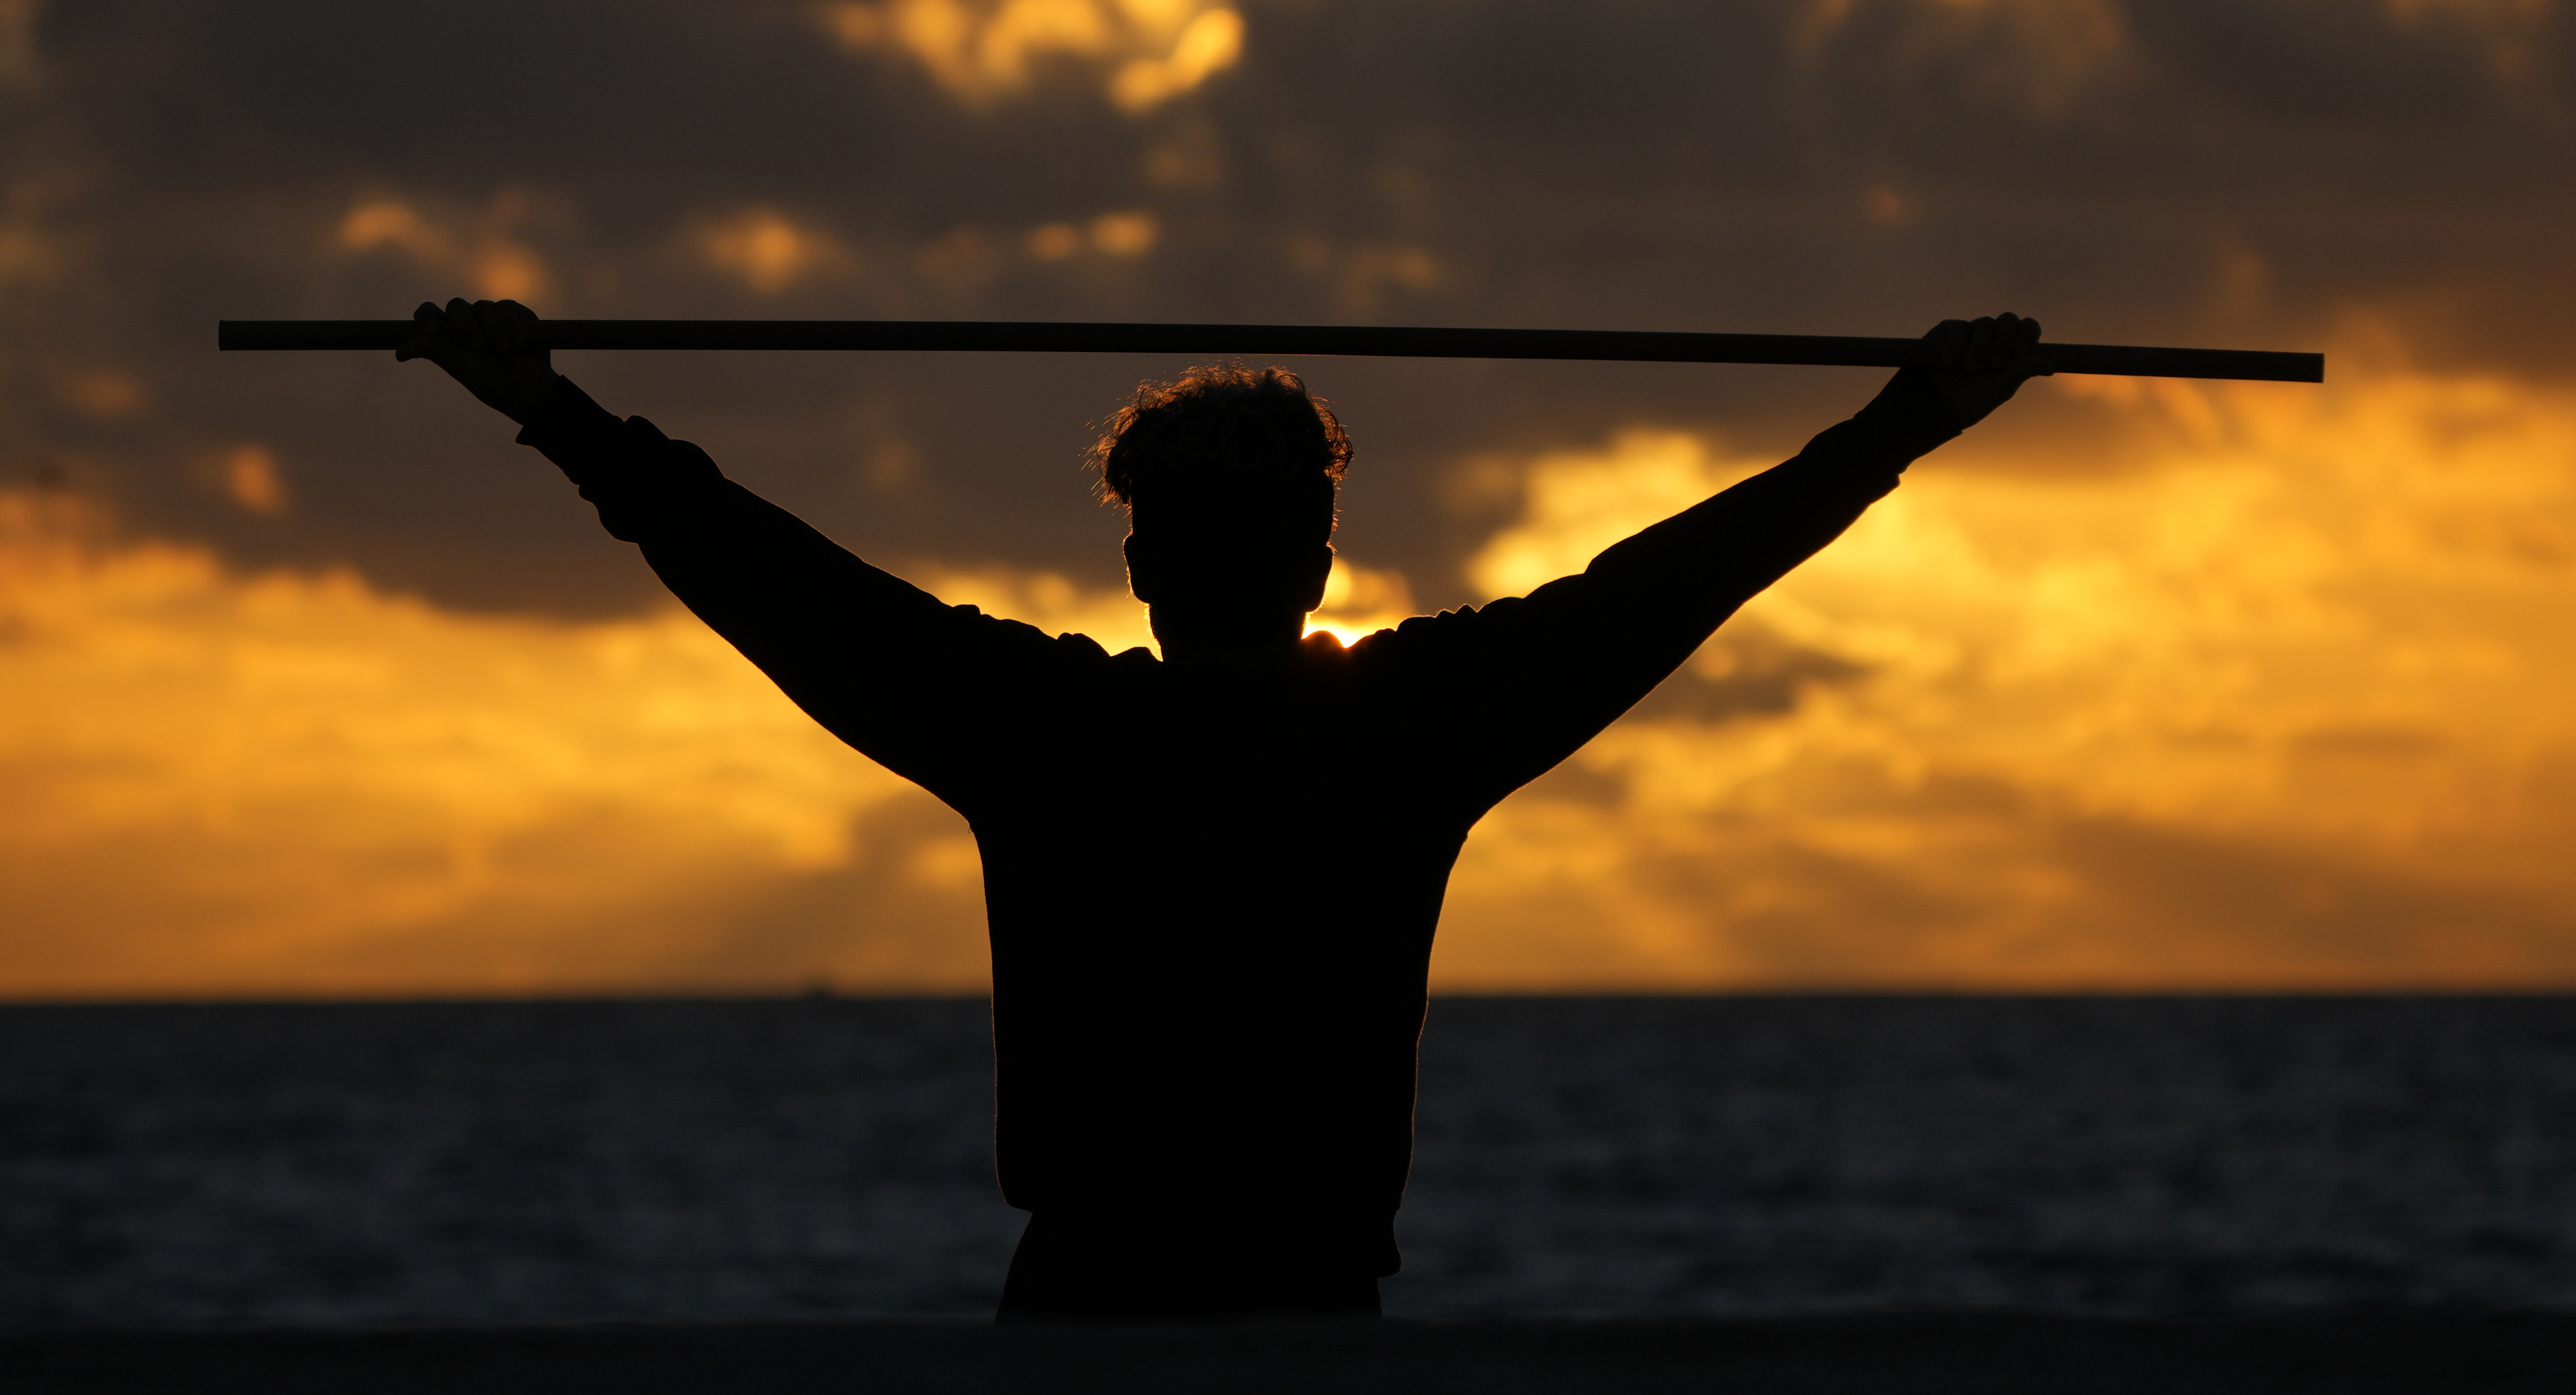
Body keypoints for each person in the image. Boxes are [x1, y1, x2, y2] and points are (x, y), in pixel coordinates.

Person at [399, 298, 2049, 1321]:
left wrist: (551, 412)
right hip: (1305, 1301)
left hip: (1095, 1297)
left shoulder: (1046, 726)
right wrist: (1900, 425)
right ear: (1322, 564)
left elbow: (780, 582)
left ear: (1137, 566)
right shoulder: (1406, 728)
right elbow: (1671, 581)